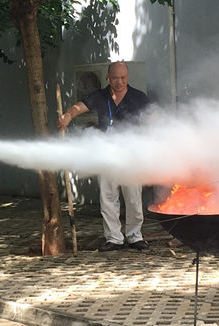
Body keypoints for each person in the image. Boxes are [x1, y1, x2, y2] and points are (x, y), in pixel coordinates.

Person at [58, 61, 151, 251]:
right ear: (108, 77)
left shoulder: (138, 97)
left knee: (133, 198)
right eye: (115, 78)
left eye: (123, 78)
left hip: (131, 154)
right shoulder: (99, 96)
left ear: (127, 77)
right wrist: (67, 116)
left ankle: (135, 236)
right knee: (108, 197)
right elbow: (78, 107)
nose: (119, 82)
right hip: (106, 153)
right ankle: (114, 238)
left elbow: (153, 117)